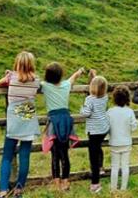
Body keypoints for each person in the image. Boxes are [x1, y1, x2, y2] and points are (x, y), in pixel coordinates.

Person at [0, 51, 41, 198]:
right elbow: (37, 87)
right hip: (28, 113)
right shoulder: (36, 79)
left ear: (17, 63)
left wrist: (9, 74)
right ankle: (19, 189)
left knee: (7, 155)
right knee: (25, 155)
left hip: (14, 116)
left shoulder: (11, 77)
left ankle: (3, 191)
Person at [40, 62, 83, 191]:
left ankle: (56, 182)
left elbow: (34, 81)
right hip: (65, 120)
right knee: (64, 153)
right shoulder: (66, 85)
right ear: (61, 75)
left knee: (55, 154)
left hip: (54, 121)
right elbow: (73, 78)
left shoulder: (45, 86)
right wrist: (79, 71)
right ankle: (66, 181)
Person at [79, 70, 111, 193]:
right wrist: (94, 76)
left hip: (94, 131)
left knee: (93, 155)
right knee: (98, 148)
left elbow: (86, 113)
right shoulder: (105, 97)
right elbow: (100, 85)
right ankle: (101, 166)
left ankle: (95, 184)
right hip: (103, 129)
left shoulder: (89, 99)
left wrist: (82, 108)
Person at [108, 85, 138, 191]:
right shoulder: (129, 111)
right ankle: (123, 188)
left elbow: (107, 127)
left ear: (114, 98)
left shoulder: (110, 112)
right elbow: (133, 128)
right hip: (126, 142)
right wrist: (135, 123)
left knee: (114, 167)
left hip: (114, 142)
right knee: (125, 166)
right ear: (127, 98)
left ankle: (113, 188)